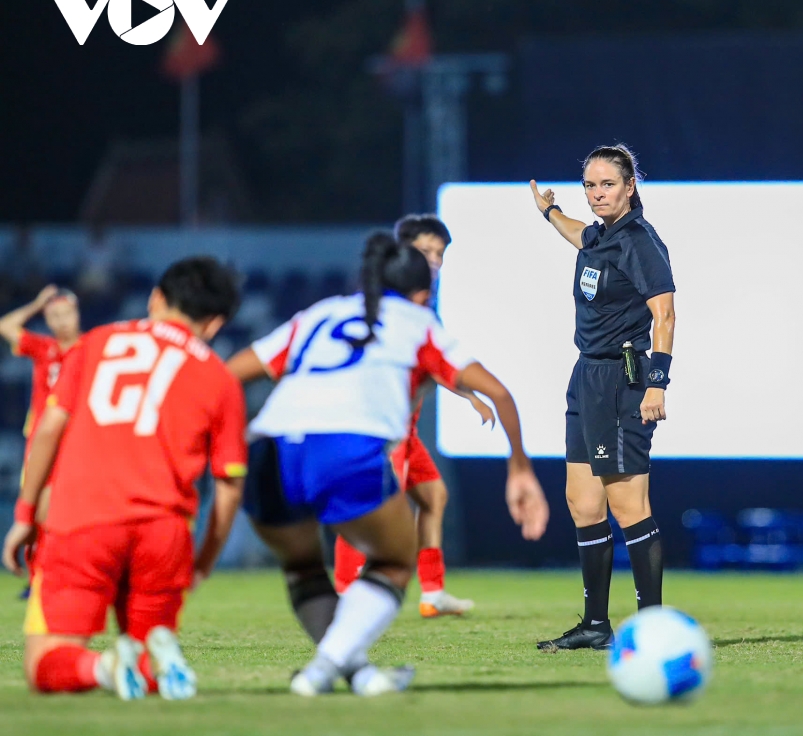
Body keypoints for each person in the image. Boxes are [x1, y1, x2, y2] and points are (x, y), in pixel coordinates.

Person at [227, 234, 548, 696]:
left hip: (267, 449)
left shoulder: (320, 314)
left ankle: (357, 674)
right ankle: (319, 673)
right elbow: (498, 392)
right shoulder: (419, 323)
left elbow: (226, 376)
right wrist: (520, 470)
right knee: (395, 561)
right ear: (423, 293)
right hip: (344, 446)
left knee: (302, 568)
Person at [2, 257, 246, 702]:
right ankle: (150, 662)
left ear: (156, 298)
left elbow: (51, 428)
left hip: (83, 520)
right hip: (163, 531)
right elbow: (228, 485)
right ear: (215, 324)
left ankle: (104, 667)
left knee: (46, 663)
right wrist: (204, 561)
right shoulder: (220, 376)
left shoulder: (96, 342)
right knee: (149, 660)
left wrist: (25, 514)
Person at [529, 144, 676, 652]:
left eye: (607, 184)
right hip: (586, 376)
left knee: (628, 506)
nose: (597, 194)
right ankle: (595, 626)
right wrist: (549, 211)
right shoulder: (600, 235)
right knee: (583, 503)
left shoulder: (639, 241)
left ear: (630, 186)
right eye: (590, 185)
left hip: (622, 379)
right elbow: (577, 234)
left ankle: (652, 627)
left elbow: (665, 314)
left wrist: (657, 382)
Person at [332, 214, 494, 617]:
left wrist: (468, 395)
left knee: (433, 495)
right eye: (426, 251)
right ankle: (347, 590)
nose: (434, 260)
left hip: (406, 429)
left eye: (440, 253)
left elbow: (431, 364)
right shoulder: (394, 306)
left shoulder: (419, 304)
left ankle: (433, 591)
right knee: (369, 506)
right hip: (384, 429)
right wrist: (473, 394)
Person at [0, 285, 83, 598]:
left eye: (66, 313)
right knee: (36, 515)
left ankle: (61, 578)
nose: (61, 321)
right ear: (47, 320)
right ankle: (38, 581)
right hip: (39, 445)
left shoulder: (90, 349)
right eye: (54, 315)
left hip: (76, 444)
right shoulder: (43, 347)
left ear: (77, 314)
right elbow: (5, 326)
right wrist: (36, 304)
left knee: (66, 515)